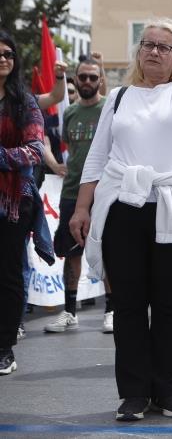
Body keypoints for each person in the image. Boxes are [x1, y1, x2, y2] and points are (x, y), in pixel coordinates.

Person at [69, 0, 172, 421]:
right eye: (148, 45)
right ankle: (134, 394)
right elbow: (98, 157)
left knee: (170, 304)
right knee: (128, 303)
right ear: (139, 52)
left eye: (165, 47)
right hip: (124, 207)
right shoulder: (119, 98)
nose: (155, 52)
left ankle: (167, 390)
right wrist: (82, 208)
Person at [45, 57, 114, 335]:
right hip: (72, 191)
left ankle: (111, 310)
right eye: (82, 77)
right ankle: (69, 312)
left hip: (106, 192)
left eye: (92, 77)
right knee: (71, 254)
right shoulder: (70, 112)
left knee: (109, 251)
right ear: (75, 79)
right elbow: (69, 148)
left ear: (100, 80)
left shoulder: (110, 107)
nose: (87, 82)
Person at [0, 30, 46, 376]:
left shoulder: (24, 102)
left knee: (8, 275)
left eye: (9, 54)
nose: (3, 59)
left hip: (12, 202)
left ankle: (4, 347)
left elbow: (34, 150)